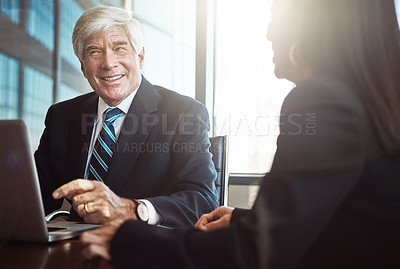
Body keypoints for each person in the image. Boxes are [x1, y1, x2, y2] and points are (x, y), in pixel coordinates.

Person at [80, 0, 400, 268]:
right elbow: (349, 223)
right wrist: (246, 220)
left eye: (278, 15)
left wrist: (128, 239)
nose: (270, 31)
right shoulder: (368, 102)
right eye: (94, 52)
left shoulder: (325, 101)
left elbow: (255, 253)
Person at [34, 6, 219, 228]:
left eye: (119, 48)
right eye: (94, 51)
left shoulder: (183, 113)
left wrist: (131, 210)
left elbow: (203, 201)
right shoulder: (62, 116)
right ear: (83, 66)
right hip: (72, 250)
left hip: (143, 250)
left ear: (140, 57)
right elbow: (33, 194)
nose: (108, 63)